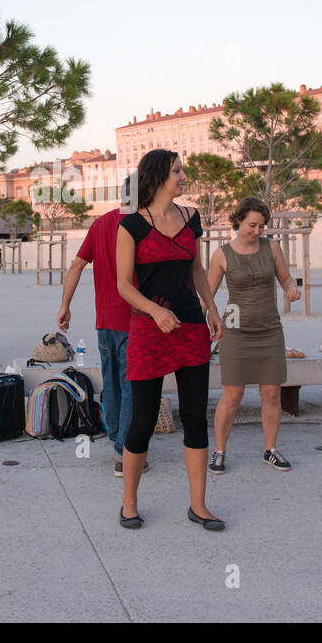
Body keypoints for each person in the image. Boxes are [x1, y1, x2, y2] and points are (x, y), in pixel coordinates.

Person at [115, 150, 225, 530]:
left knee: (195, 418)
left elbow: (196, 267)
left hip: (191, 327)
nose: (183, 176)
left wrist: (211, 307)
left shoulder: (191, 218)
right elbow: (123, 285)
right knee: (143, 421)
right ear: (159, 175)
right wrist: (155, 311)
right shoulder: (130, 226)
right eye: (177, 170)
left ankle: (199, 505)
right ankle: (129, 502)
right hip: (148, 331)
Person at [205, 196, 301, 474]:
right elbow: (208, 295)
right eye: (252, 225)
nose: (257, 231)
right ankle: (219, 451)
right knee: (232, 396)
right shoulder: (222, 254)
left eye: (262, 226)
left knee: (271, 394)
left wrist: (291, 288)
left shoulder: (271, 247)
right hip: (235, 331)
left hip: (269, 330)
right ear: (238, 221)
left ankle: (271, 450)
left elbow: (285, 278)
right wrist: (205, 320)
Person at [58, 201, 139, 476]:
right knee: (130, 387)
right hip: (135, 318)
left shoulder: (100, 223)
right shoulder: (142, 222)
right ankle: (124, 452)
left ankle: (118, 443)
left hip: (105, 321)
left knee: (113, 383)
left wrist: (65, 305)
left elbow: (77, 265)